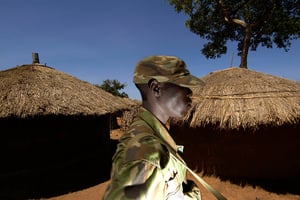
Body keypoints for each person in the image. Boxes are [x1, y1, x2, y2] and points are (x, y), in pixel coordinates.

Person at [103, 55, 205, 200]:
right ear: (156, 88)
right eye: (183, 86)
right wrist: (193, 192)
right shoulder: (146, 153)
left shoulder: (156, 139)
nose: (190, 92)